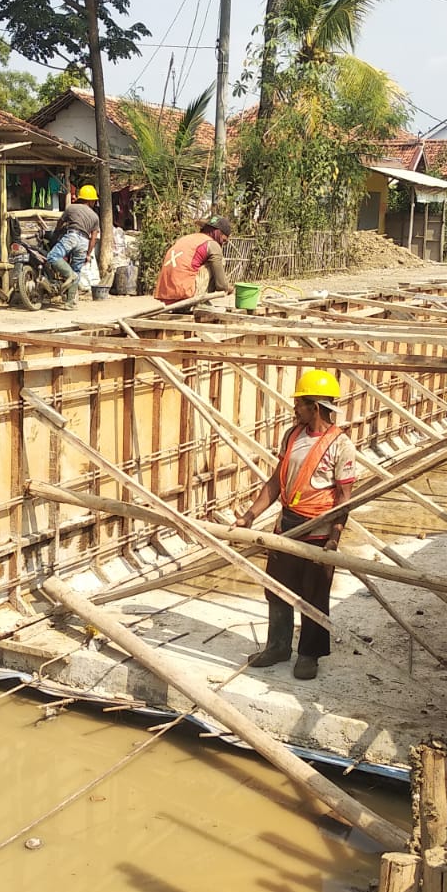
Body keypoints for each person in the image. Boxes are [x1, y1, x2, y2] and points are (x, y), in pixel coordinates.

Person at [234, 369, 358, 681]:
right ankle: (277, 646)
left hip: (317, 531)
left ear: (315, 407)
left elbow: (344, 497)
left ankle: (309, 655)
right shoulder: (292, 435)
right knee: (276, 590)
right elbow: (276, 481)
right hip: (287, 525)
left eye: (299, 404)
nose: (295, 409)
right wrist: (249, 516)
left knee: (314, 596)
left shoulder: (341, 445)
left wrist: (334, 537)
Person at [45, 184, 101, 308]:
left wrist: (56, 233)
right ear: (91, 201)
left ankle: (69, 275)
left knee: (52, 257)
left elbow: (60, 223)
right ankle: (70, 303)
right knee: (77, 270)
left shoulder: (72, 208)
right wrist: (88, 253)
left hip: (72, 236)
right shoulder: (95, 217)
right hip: (84, 242)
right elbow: (93, 238)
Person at [154, 215, 231, 304]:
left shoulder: (186, 239)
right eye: (224, 240)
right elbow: (221, 286)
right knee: (220, 260)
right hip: (186, 295)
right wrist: (228, 288)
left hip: (166, 296)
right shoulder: (211, 244)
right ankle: (200, 301)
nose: (222, 244)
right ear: (218, 233)